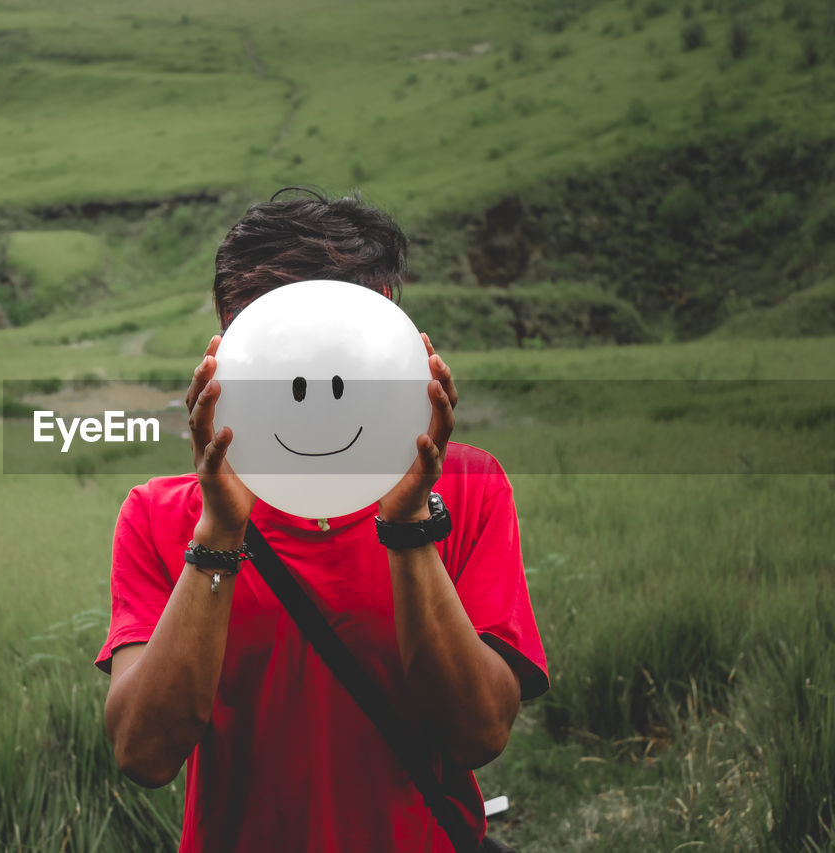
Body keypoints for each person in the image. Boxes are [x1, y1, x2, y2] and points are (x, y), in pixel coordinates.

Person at [95, 189, 548, 852]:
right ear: (226, 346)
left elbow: (478, 734)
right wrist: (218, 534)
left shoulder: (469, 488)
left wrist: (410, 523)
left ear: (390, 329)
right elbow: (144, 753)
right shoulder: (163, 516)